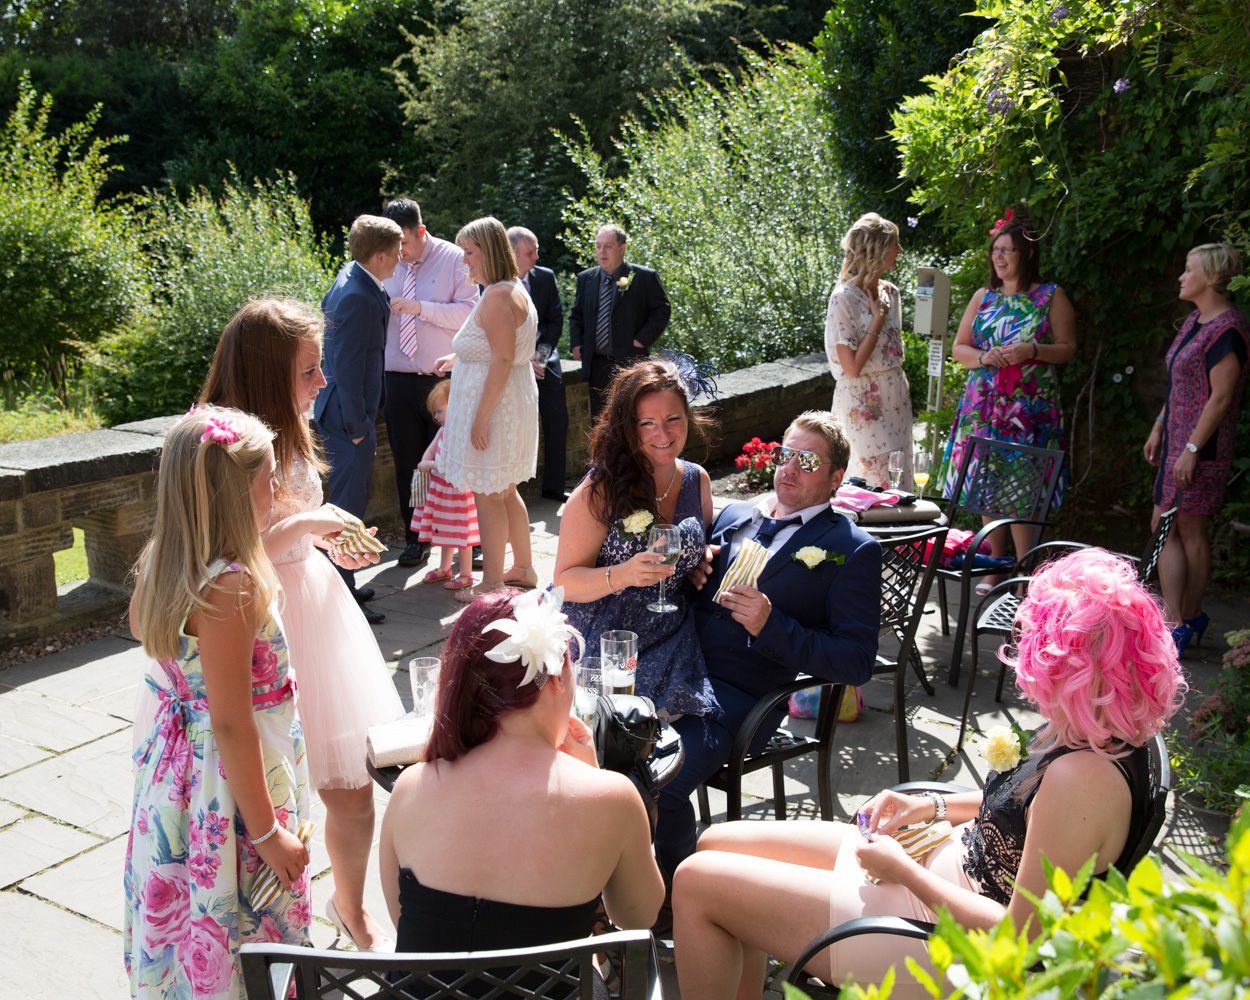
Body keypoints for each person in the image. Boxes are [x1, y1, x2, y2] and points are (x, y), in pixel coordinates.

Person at [671, 547, 1186, 1000]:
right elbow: (1022, 817)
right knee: (716, 841)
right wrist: (930, 805)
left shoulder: (1084, 781)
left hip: (934, 937)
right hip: (935, 867)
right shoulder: (1104, 730)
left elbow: (1021, 939)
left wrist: (901, 869)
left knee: (696, 883)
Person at [199, 299, 404, 953]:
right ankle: (273, 934)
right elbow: (230, 549)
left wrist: (330, 542)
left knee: (351, 783)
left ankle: (350, 908)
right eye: (310, 370)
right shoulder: (217, 446)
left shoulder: (290, 423)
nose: (323, 382)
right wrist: (313, 526)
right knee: (272, 787)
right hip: (256, 623)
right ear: (264, 374)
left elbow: (290, 526)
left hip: (319, 614)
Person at [378, 589, 663, 982]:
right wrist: (596, 779)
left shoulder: (410, 787)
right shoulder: (612, 799)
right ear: (558, 680)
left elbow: (405, 925)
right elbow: (639, 916)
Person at [124, 407, 312, 999]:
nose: (278, 489)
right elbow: (231, 723)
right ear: (233, 496)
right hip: (226, 787)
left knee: (180, 898)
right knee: (242, 917)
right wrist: (265, 833)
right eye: (268, 480)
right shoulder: (230, 586)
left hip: (176, 774)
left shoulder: (167, 562)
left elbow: (145, 634)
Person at [657, 411, 881, 886]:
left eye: (808, 461)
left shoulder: (850, 547)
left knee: (659, 782)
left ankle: (669, 904)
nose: (789, 468)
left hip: (738, 698)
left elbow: (858, 661)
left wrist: (770, 625)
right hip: (668, 670)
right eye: (786, 454)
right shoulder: (735, 514)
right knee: (598, 757)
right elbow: (688, 591)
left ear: (836, 478)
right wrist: (694, 573)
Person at [553, 355, 719, 721]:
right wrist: (624, 574)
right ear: (628, 427)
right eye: (648, 423)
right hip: (599, 637)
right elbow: (564, 582)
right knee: (603, 738)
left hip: (667, 636)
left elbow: (696, 542)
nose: (663, 434)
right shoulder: (600, 489)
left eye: (673, 419)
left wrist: (697, 559)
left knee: (655, 741)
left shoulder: (697, 480)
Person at [937, 212, 1076, 593]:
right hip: (984, 404)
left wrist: (1031, 349)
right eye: (995, 251)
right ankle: (996, 566)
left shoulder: (1051, 296)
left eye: (1008, 250)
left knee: (1024, 486)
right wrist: (985, 357)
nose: (999, 258)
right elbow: (960, 348)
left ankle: (1024, 570)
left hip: (1030, 410)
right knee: (987, 482)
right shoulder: (984, 296)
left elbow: (1067, 349)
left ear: (1027, 254)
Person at [1144, 242, 1249, 652]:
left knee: (1185, 528)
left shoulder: (1230, 329)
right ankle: (1185, 619)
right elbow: (1180, 382)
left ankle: (1181, 621)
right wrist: (1158, 425)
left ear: (1213, 278)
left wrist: (1191, 447)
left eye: (1189, 270)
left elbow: (1220, 397)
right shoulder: (1194, 322)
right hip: (1176, 440)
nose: (1181, 277)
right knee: (1167, 525)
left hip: (1202, 446)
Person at [432, 216, 540, 603]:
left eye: (469, 252)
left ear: (489, 251)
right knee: (505, 490)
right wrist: (457, 357)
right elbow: (495, 346)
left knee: (489, 494)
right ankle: (524, 568)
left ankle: (493, 583)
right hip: (510, 403)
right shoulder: (511, 288)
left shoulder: (495, 295)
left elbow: (501, 358)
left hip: (495, 410)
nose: (465, 261)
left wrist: (479, 418)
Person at [382, 198, 479, 568]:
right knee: (408, 463)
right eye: (394, 245)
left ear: (421, 231)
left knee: (456, 463)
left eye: (404, 242)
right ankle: (416, 538)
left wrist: (420, 307)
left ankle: (468, 540)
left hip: (445, 378)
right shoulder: (384, 261)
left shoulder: (455, 258)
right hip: (398, 378)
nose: (399, 252)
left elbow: (472, 315)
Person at [314, 214, 403, 620]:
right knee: (346, 506)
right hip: (346, 418)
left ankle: (344, 582)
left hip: (349, 413)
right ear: (381, 254)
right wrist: (354, 428)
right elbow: (345, 367)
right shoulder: (356, 295)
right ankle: (340, 595)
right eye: (398, 252)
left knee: (350, 503)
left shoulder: (356, 277)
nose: (401, 258)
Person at [825, 213, 913, 489]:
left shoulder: (892, 293)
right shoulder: (844, 298)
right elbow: (851, 367)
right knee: (872, 481)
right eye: (894, 244)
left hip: (895, 394)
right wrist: (877, 318)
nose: (900, 250)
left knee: (898, 477)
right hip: (862, 400)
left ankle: (902, 531)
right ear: (876, 249)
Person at [568, 223, 672, 420]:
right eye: (598, 246)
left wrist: (641, 340)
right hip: (596, 365)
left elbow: (662, 310)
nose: (601, 251)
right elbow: (577, 315)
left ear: (622, 248)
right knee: (599, 420)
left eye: (607, 246)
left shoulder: (643, 277)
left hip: (630, 362)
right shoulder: (586, 278)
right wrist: (576, 344)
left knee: (631, 418)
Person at [508, 225, 570, 501]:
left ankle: (554, 487)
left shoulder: (545, 277)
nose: (536, 257)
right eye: (530, 252)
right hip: (510, 362)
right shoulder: (493, 284)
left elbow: (555, 320)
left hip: (543, 359)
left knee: (558, 419)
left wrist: (540, 356)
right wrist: (522, 357)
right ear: (513, 254)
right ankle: (510, 489)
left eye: (536, 251)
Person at [414, 378, 479, 591]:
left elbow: (451, 467)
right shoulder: (443, 431)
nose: (436, 416)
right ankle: (445, 568)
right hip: (441, 490)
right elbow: (430, 450)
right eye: (435, 412)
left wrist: (430, 464)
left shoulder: (462, 436)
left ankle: (466, 574)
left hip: (458, 492)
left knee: (461, 535)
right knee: (443, 530)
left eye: (440, 411)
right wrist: (426, 461)